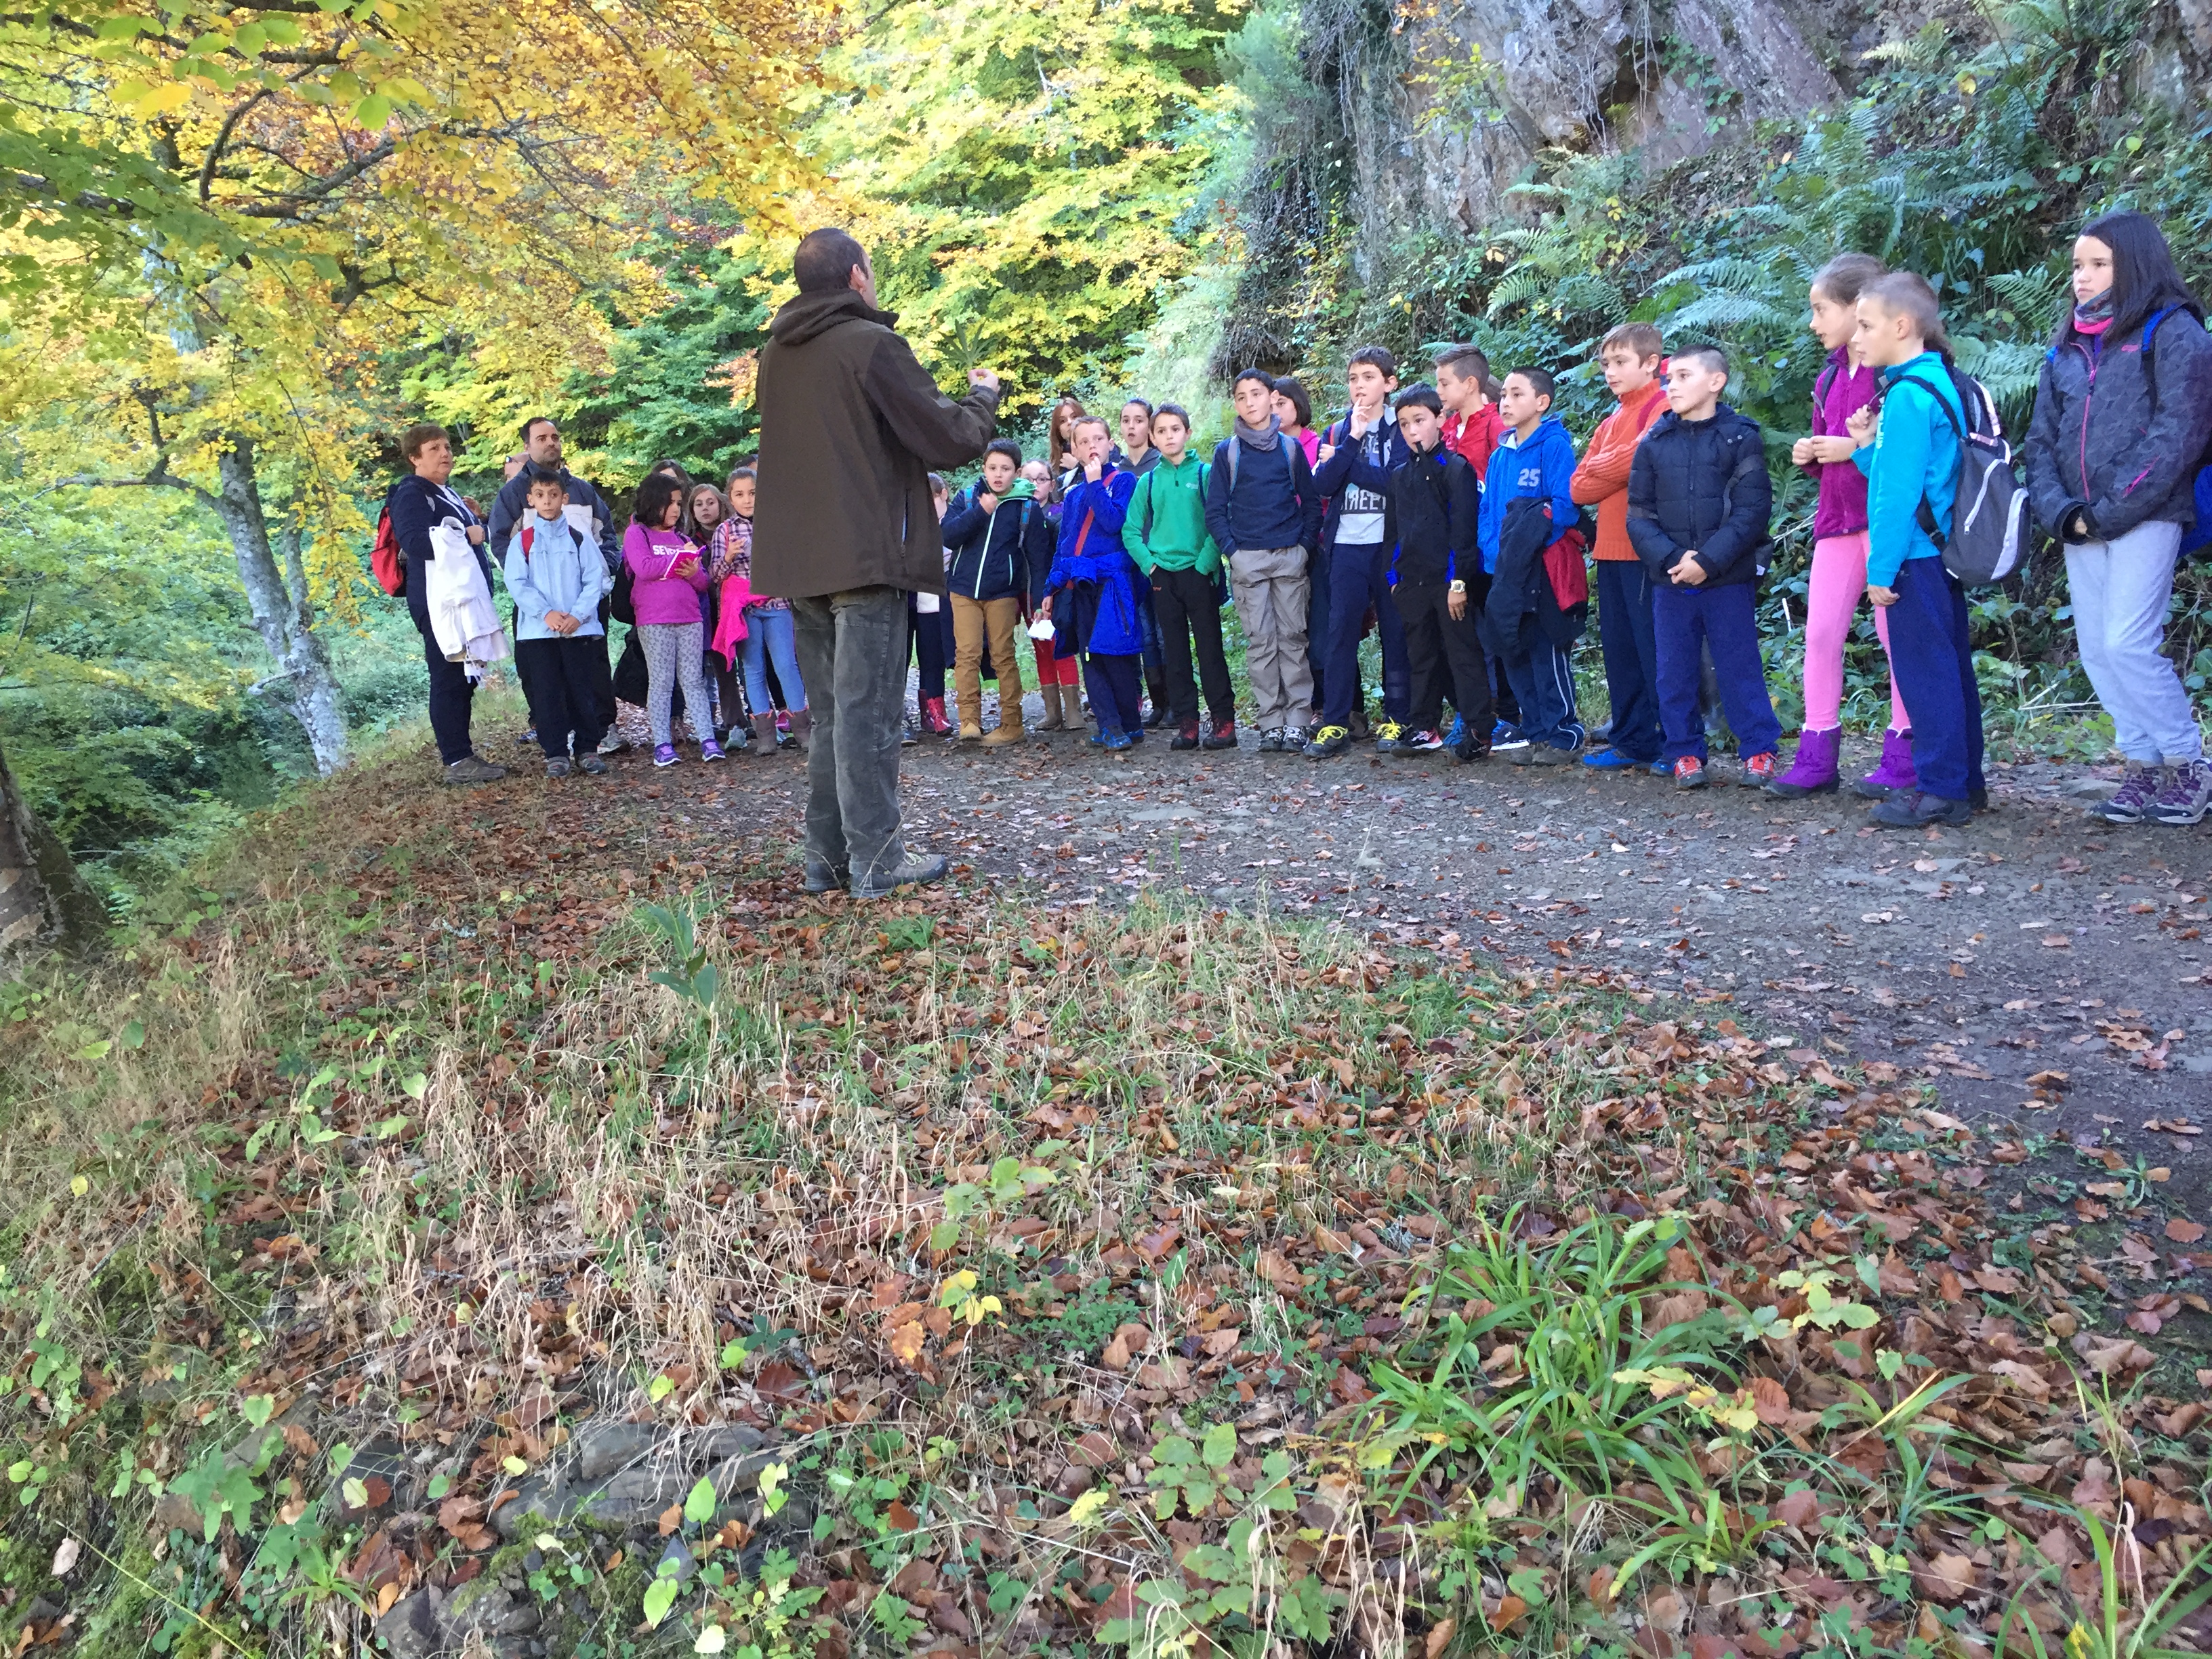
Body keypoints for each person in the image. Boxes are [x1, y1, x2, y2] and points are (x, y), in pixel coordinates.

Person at [750, 227, 999, 898]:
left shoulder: (775, 354)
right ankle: (877, 862)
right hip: (864, 556)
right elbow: (947, 438)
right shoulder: (871, 345)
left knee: (833, 717)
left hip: (800, 564)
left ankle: (825, 860)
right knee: (868, 718)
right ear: (858, 276)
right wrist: (983, 397)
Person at [2026, 210, 2212, 826]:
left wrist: (2108, 511)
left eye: (2098, 265)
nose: (2082, 278)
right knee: (2097, 651)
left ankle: (2188, 763)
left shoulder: (2174, 330)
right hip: (2081, 522)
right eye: (2078, 266)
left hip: (2148, 513)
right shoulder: (2068, 346)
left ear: (2134, 264)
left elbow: (2178, 435)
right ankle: (2142, 764)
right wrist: (2063, 513)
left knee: (2128, 642)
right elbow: (2041, 442)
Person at [1767, 253, 1913, 800]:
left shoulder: (1888, 375)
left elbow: (1899, 453)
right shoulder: (1828, 379)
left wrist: (1854, 447)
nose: (1813, 323)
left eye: (1821, 309)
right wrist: (1812, 451)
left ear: (1859, 309)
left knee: (1892, 635)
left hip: (1882, 524)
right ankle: (1817, 750)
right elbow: (1823, 448)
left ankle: (1904, 748)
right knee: (1822, 633)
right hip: (1835, 523)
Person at [1849, 272, 1986, 827]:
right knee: (1950, 669)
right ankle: (1963, 783)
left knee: (1926, 676)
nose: (1857, 336)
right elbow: (1912, 474)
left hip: (1914, 558)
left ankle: (1941, 790)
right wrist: (1864, 447)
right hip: (1940, 551)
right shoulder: (1938, 381)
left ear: (1902, 326)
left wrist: (1880, 569)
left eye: (1866, 324)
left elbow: (1896, 494)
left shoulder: (1906, 395)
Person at [1626, 346, 1783, 790]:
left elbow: (1753, 510)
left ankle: (1759, 749)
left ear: (1715, 382)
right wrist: (1676, 561)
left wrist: (1709, 561)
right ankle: (1685, 753)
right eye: (1668, 377)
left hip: (1727, 578)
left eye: (1682, 375)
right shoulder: (1654, 442)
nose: (1669, 385)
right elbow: (1638, 515)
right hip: (1671, 581)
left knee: (1739, 665)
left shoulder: (1740, 437)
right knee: (1673, 670)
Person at [1204, 367, 1323, 752]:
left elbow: (1311, 504)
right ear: (1235, 404)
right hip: (1248, 561)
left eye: (1256, 394)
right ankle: (1271, 722)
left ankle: (1298, 720)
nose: (1250, 402)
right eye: (1242, 396)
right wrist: (1234, 554)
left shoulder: (1289, 449)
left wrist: (1304, 548)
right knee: (1260, 644)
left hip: (1289, 556)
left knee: (1293, 639)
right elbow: (1215, 511)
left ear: (1272, 398)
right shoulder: (1228, 453)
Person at [487, 417, 622, 755]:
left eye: (555, 437)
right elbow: (501, 542)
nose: (551, 443)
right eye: (542, 438)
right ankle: (552, 737)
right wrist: (537, 600)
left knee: (591, 669)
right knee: (542, 674)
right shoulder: (514, 493)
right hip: (539, 607)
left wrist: (600, 578)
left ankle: (600, 732)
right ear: (528, 446)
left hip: (586, 603)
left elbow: (606, 536)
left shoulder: (583, 490)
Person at [1571, 322, 1671, 775]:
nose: (1610, 372)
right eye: (1606, 364)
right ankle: (1632, 740)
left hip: (1646, 551)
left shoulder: (1662, 404)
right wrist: (1611, 464)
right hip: (1609, 551)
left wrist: (1602, 464)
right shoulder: (1611, 418)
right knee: (1621, 652)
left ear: (1651, 363)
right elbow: (1578, 487)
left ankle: (1676, 742)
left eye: (1620, 363)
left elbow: (1642, 457)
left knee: (1656, 652)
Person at [1476, 368, 1586, 761]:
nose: (1505, 402)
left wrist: (1531, 541)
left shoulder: (1554, 445)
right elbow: (1488, 512)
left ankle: (1564, 733)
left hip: (1541, 570)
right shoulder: (1500, 453)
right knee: (1513, 647)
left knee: (1545, 649)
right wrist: (1493, 554)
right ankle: (1536, 730)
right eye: (1503, 394)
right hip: (1503, 571)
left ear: (1541, 402)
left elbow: (1564, 507)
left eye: (1517, 394)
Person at [386, 424, 506, 784]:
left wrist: (476, 519)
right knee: (448, 676)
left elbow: (467, 535)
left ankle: (462, 754)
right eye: (434, 448)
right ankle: (457, 761)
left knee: (461, 676)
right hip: (438, 603)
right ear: (414, 458)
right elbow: (417, 543)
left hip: (457, 601)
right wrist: (463, 532)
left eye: (447, 446)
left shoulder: (442, 492)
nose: (445, 453)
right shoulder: (410, 493)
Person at [1308, 346, 1413, 757]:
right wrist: (1351, 440)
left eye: (1368, 377)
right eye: (1353, 378)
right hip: (1345, 547)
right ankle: (1335, 723)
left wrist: (1345, 465)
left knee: (1395, 632)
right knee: (1340, 635)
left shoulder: (1400, 428)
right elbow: (1321, 485)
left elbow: (1396, 483)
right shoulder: (1337, 432)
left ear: (1389, 383)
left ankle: (1398, 717)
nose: (1359, 386)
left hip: (1387, 546)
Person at [1384, 384, 1490, 759]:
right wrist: (1394, 580)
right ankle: (1425, 725)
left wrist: (1458, 582)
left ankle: (1478, 729)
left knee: (1462, 654)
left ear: (1439, 421)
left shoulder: (1456, 469)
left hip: (1448, 584)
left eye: (1420, 421)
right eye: (1405, 424)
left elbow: (1463, 532)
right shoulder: (1399, 475)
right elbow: (1393, 533)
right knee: (1421, 656)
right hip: (1412, 583)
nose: (1413, 431)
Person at [1124, 404, 1235, 750]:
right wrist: (1150, 565)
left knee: (1210, 649)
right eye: (1162, 431)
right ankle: (1187, 722)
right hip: (1163, 578)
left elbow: (1218, 520)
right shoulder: (1148, 481)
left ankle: (1223, 720)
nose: (1169, 436)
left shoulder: (1203, 473)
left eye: (1176, 429)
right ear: (1153, 438)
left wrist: (1205, 563)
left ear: (1187, 433)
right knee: (1174, 653)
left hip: (1199, 574)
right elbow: (1130, 530)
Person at [1040, 416, 1144, 747]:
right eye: (1083, 442)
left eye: (1098, 439)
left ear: (1110, 444)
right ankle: (1110, 725)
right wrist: (1051, 587)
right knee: (1091, 654)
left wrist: (1097, 484)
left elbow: (1114, 523)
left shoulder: (1125, 481)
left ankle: (1130, 722)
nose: (1092, 447)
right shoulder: (1071, 496)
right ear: (1074, 448)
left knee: (1117, 653)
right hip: (1080, 583)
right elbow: (1065, 545)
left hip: (1113, 582)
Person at [941, 439, 1050, 745]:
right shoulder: (967, 497)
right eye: (993, 468)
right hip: (963, 590)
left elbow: (1037, 558)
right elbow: (948, 536)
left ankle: (1012, 723)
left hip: (1003, 592)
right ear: (984, 469)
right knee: (967, 655)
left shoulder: (1026, 506)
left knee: (1004, 656)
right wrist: (980, 511)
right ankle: (969, 722)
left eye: (1005, 469)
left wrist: (1041, 597)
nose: (998, 475)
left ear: (1017, 472)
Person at [504, 468, 611, 776]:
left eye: (553, 495)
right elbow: (516, 583)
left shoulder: (580, 539)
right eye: (540, 495)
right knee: (547, 693)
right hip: (539, 633)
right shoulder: (522, 542)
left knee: (583, 690)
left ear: (564, 498)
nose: (547, 501)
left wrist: (578, 615)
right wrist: (545, 613)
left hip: (578, 631)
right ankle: (556, 753)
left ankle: (588, 749)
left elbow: (595, 579)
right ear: (530, 500)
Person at [1435, 344, 1516, 742]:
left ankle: (1506, 716)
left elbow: (1499, 491)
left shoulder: (1496, 427)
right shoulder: (1448, 428)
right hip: (1457, 547)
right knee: (1465, 635)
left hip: (1490, 548)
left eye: (1444, 383)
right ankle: (1475, 714)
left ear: (1470, 384)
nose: (1439, 391)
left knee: (1494, 633)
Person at [708, 466, 808, 755]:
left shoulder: (775, 525)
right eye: (739, 495)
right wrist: (728, 557)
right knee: (753, 669)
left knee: (787, 666)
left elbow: (791, 565)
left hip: (777, 605)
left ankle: (802, 729)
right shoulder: (724, 531)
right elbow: (714, 575)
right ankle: (765, 735)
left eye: (752, 493)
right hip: (745, 612)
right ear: (730, 499)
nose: (747, 500)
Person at [624, 472, 722, 766]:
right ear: (654, 503)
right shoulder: (637, 533)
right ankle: (662, 745)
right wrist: (677, 559)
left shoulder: (682, 538)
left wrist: (694, 572)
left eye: (679, 503)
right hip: (654, 620)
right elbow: (643, 567)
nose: (677, 509)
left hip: (690, 618)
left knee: (694, 680)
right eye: (671, 503)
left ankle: (708, 739)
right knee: (662, 682)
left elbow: (702, 583)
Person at [1020, 461, 1082, 731]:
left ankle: (1074, 712)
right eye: (1028, 479)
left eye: (1041, 479)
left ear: (1052, 484)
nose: (1035, 485)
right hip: (1025, 592)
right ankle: (1052, 711)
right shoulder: (1016, 512)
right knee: (1041, 648)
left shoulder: (1059, 512)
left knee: (1061, 647)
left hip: (1054, 590)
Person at [1271, 377, 1320, 467]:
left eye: (1281, 404)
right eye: (1270, 407)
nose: (1275, 412)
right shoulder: (1265, 449)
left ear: (1298, 403)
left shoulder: (1318, 447)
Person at [1046, 397, 1088, 483]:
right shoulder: (1056, 464)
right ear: (1058, 430)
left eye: (1074, 417)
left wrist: (1077, 467)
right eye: (1063, 421)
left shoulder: (1103, 447)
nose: (1069, 422)